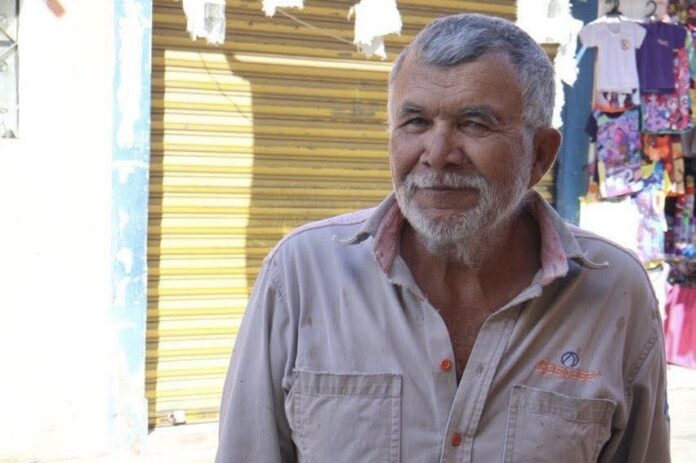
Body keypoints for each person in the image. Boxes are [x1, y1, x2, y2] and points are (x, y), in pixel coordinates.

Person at [215, 13, 670, 463]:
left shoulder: (614, 292)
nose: (437, 154)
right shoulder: (300, 274)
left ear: (541, 155)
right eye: (415, 122)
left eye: (474, 124)